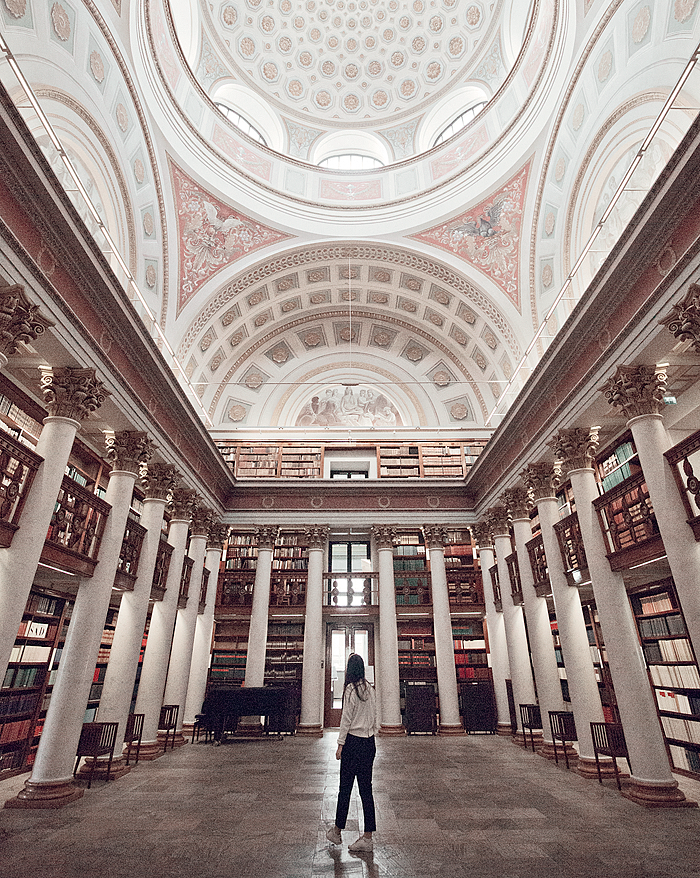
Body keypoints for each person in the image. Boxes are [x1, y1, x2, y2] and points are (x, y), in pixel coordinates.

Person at [326, 653, 378, 852]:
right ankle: (368, 837)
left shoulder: (350, 690)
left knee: (345, 789)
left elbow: (345, 719)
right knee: (367, 791)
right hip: (369, 743)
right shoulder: (370, 689)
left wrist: (340, 745)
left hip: (353, 744)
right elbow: (375, 715)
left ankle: (337, 831)